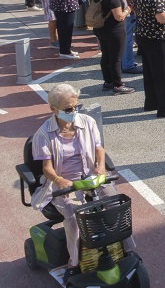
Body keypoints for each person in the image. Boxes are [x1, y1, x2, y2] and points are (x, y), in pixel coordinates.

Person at [31, 84, 136, 277]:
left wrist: (101, 166)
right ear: (53, 109)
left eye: (76, 107)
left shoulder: (87, 122)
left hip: (91, 178)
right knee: (73, 214)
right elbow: (47, 168)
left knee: (116, 203)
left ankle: (128, 249)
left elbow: (99, 149)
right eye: (68, 109)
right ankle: (74, 261)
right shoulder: (43, 134)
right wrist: (58, 179)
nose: (74, 112)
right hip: (65, 184)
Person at [91, 0, 134, 94]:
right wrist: (127, 10)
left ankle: (108, 81)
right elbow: (119, 16)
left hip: (101, 28)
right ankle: (118, 85)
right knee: (116, 58)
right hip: (114, 30)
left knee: (106, 56)